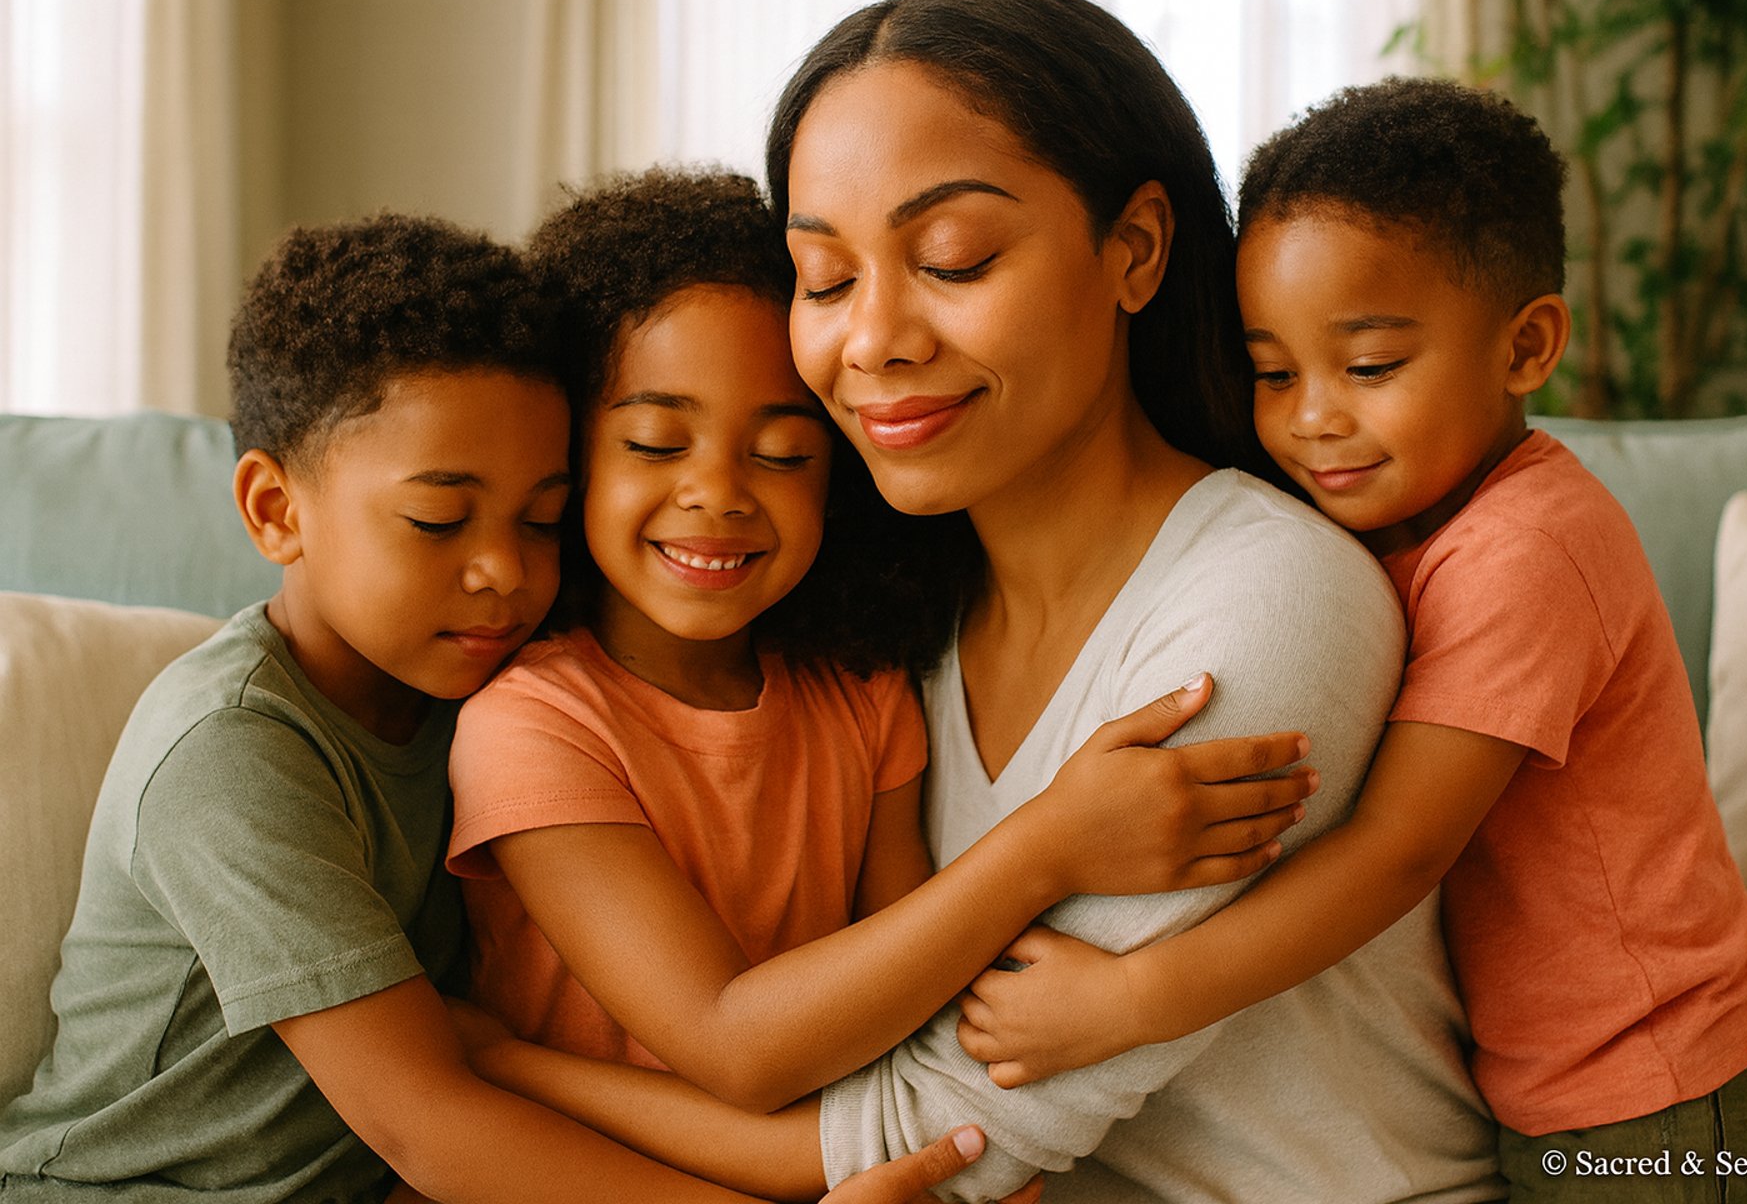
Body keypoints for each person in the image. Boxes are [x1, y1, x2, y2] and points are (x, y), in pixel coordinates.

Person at [459, 0, 1504, 1204]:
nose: (876, 338)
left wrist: (495, 1065)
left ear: (1136, 249)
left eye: (952, 257)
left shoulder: (1267, 603)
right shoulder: (893, 626)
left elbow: (933, 1137)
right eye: (826, 276)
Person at [0, 213, 1039, 1204]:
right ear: (277, 509)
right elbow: (430, 1119)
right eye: (439, 519)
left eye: (541, 518)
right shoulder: (231, 754)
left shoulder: (464, 681)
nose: (502, 570)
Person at [954, 78, 1747, 1202]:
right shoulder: (1372, 524)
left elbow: (1397, 849)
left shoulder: (1527, 548)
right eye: (1274, 372)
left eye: (1371, 367)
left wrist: (1128, 1000)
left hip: (1660, 1092)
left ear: (1527, 344)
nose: (1312, 417)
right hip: (1536, 1081)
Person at [443, 167, 1311, 1114]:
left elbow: (912, 989)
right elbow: (737, 1048)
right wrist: (1050, 846)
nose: (719, 494)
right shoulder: (533, 725)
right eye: (655, 443)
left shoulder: (861, 690)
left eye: (783, 456)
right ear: (566, 459)